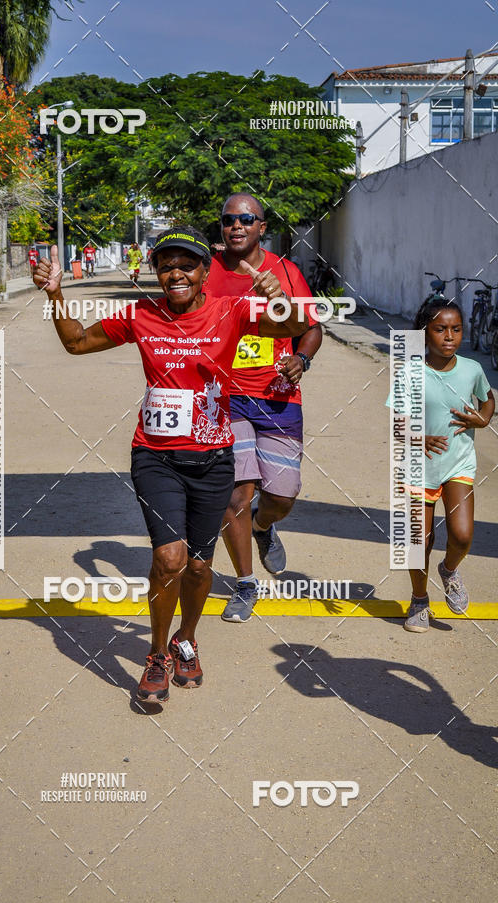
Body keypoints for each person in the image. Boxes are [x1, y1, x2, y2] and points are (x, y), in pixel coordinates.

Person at [33, 227, 310, 703]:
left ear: (205, 272)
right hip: (156, 457)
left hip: (213, 460)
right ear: (156, 273)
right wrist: (55, 294)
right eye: (166, 266)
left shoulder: (231, 311)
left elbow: (292, 328)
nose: (175, 273)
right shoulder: (141, 314)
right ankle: (158, 653)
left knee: (199, 568)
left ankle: (187, 640)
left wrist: (278, 298)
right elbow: (76, 342)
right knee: (169, 559)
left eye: (186, 265)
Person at [206, 193, 322, 622]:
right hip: (225, 398)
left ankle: (263, 525)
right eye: (228, 220)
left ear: (261, 227)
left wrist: (301, 358)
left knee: (282, 495)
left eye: (246, 219)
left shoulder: (285, 271)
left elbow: (311, 328)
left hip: (277, 397)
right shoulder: (207, 272)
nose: (236, 226)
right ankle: (245, 583)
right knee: (236, 493)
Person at [386, 297, 494, 632]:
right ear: (424, 333)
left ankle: (448, 570)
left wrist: (482, 419)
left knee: (462, 535)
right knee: (419, 540)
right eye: (440, 329)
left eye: (456, 329)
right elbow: (398, 423)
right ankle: (419, 600)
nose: (449, 336)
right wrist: (417, 438)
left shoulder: (472, 369)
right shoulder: (410, 373)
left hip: (458, 464)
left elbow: (488, 400)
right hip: (419, 468)